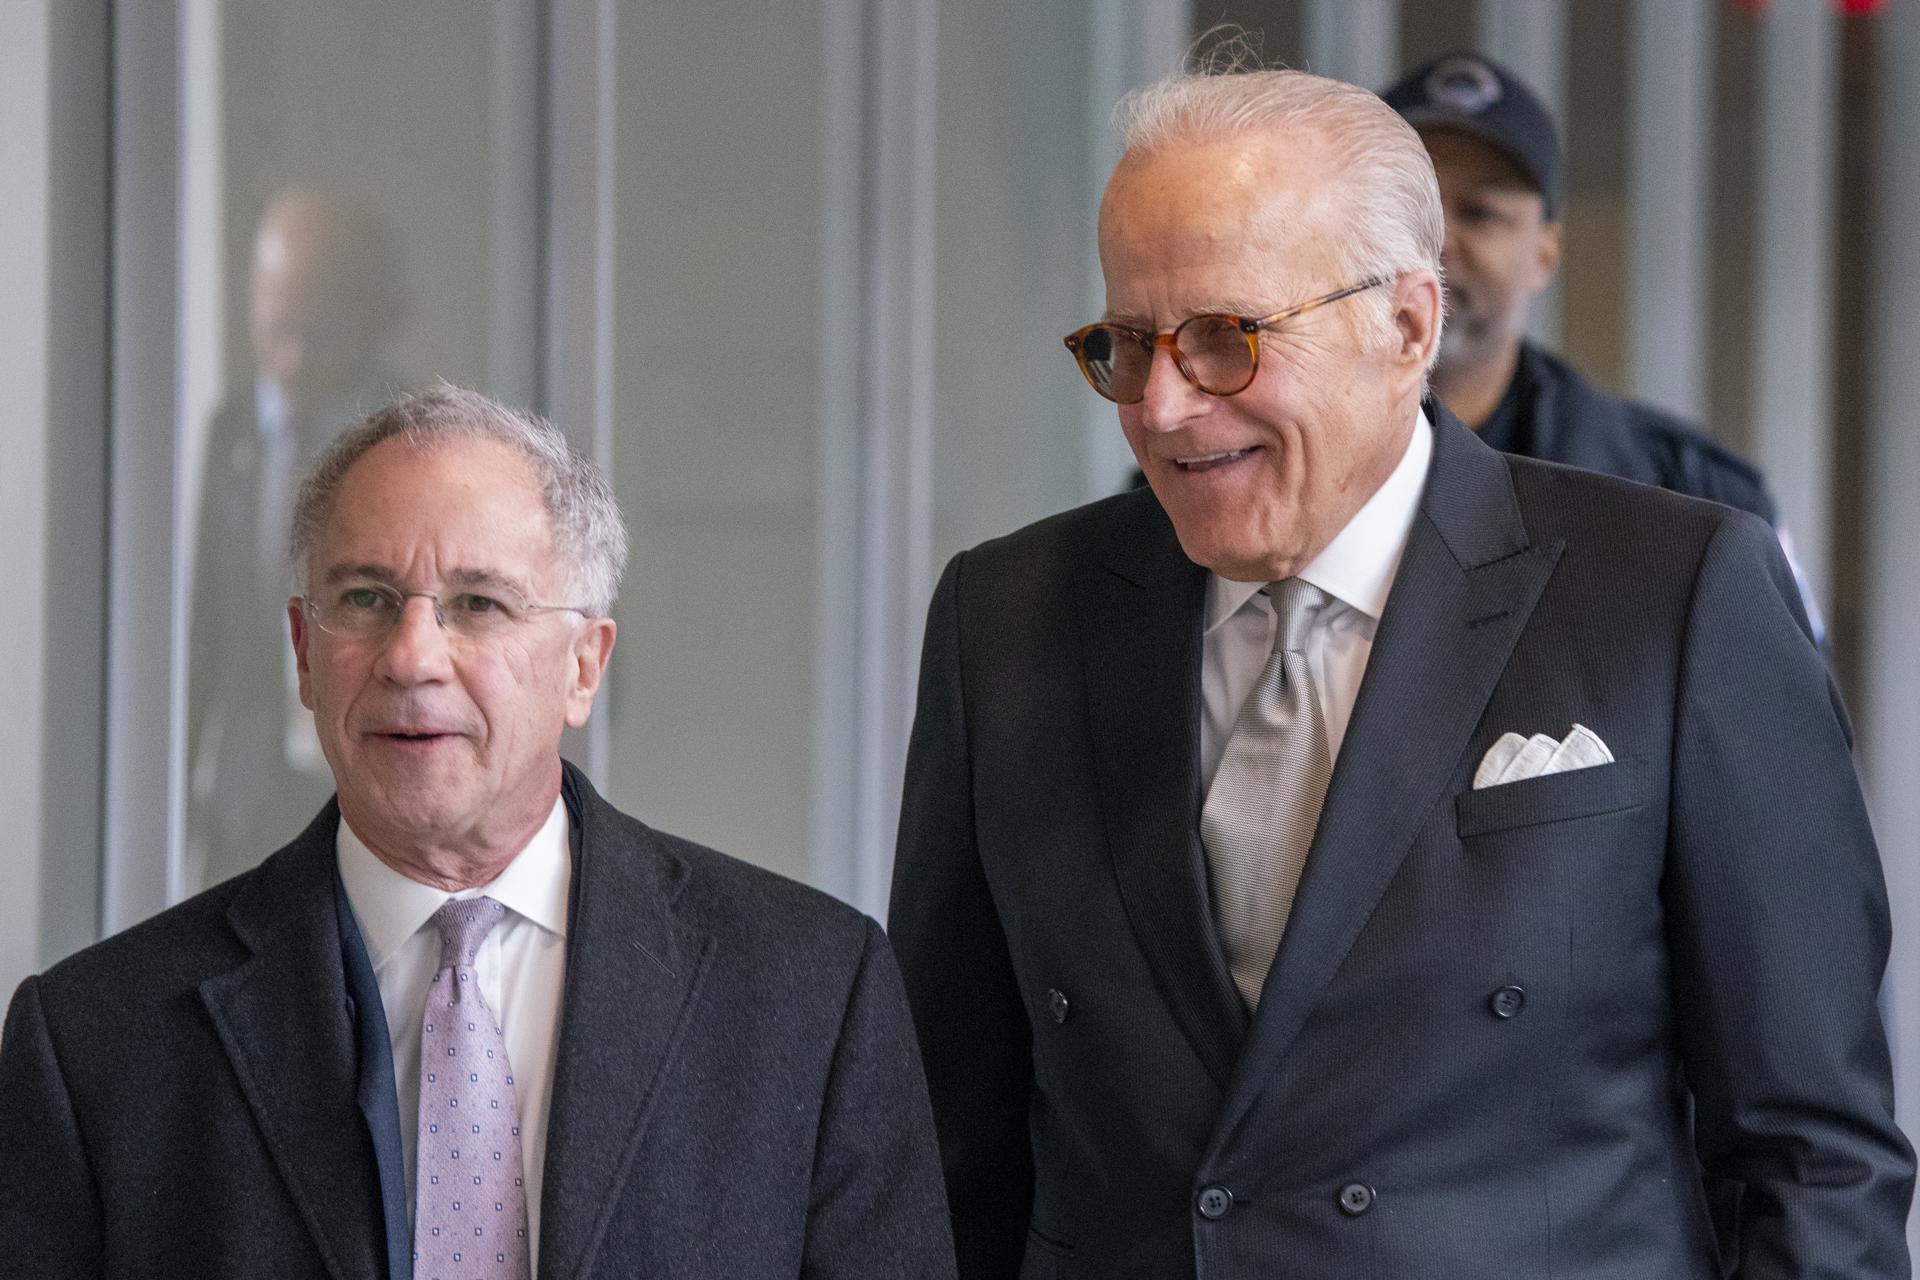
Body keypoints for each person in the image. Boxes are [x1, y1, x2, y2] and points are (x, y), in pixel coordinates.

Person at [888, 63, 1909, 1278]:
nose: (1161, 406)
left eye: (1226, 338)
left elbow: (1811, 1159)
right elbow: (948, 1144)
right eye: (1125, 344)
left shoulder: (1677, 593)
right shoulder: (1006, 621)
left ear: (1407, 325)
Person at [2, 387, 956, 1279]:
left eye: (479, 604)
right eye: (367, 598)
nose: (413, 657)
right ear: (303, 652)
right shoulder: (93, 1045)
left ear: (585, 665)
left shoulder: (811, 996)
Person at [1380, 51, 1825, 640]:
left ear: (1546, 254)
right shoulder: (1265, 454)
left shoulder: (1690, 498)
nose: (1439, 242)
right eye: (1413, 208)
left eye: (1480, 213)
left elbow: (1784, 722)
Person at [188, 187, 410, 891]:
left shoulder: (409, 435)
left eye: (318, 327)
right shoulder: (227, 435)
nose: (294, 352)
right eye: (279, 321)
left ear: (365, 319)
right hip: (247, 797)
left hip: (365, 784)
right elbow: (202, 634)